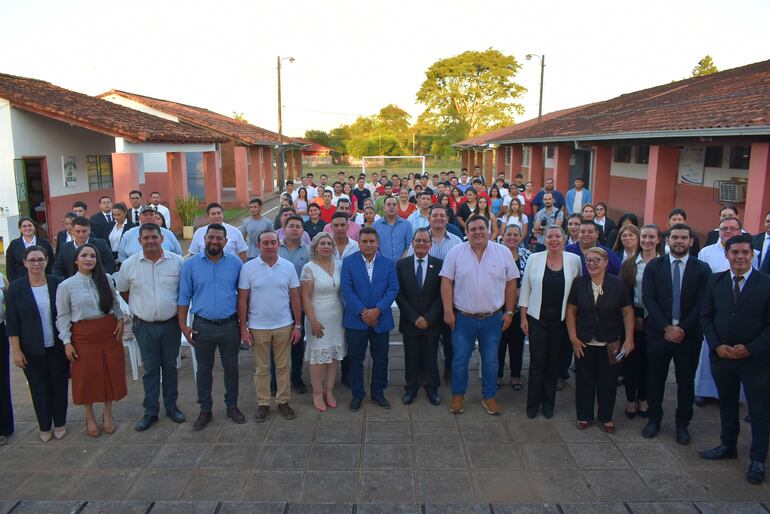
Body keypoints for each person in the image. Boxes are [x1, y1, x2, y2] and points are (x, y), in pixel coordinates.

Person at [699, 234, 770, 485]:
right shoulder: (716, 281)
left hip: (756, 360)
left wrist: (750, 348)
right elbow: (706, 316)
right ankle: (728, 445)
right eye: (734, 253)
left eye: (744, 253)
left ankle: (758, 457)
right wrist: (717, 345)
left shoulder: (766, 283)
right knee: (727, 404)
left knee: (759, 410)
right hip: (723, 357)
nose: (739, 257)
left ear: (752, 255)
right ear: (727, 255)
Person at [441, 215, 518, 416]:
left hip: (493, 319)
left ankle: (489, 396)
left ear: (489, 229)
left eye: (481, 228)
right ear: (466, 232)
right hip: (463, 318)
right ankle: (458, 395)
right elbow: (446, 282)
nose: (477, 232)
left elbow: (511, 283)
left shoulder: (502, 252)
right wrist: (448, 311)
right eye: (473, 229)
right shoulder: (455, 252)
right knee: (460, 359)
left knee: (491, 360)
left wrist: (509, 312)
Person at [641, 223, 711, 444]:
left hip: (688, 336)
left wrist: (683, 328)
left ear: (691, 241)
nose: (679, 241)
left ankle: (683, 424)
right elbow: (648, 298)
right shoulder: (654, 266)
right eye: (675, 237)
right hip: (658, 333)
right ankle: (654, 419)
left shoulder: (702, 269)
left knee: (685, 382)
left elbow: (703, 302)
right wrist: (666, 327)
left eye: (683, 238)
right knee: (655, 379)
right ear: (667, 240)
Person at [116, 223, 186, 432]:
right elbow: (123, 291)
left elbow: (183, 292)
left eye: (154, 237)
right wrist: (141, 309)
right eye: (146, 238)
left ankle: (172, 407)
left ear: (161, 238)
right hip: (144, 327)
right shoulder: (129, 265)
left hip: (171, 325)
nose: (150, 241)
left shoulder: (177, 263)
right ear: (140, 241)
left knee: (171, 367)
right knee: (150, 370)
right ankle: (150, 411)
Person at [178, 224, 245, 430]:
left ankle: (232, 405)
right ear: (204, 239)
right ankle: (205, 409)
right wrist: (183, 326)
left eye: (219, 238)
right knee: (204, 370)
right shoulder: (190, 265)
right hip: (202, 326)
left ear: (225, 242)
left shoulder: (236, 263)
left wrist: (244, 326)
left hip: (229, 325)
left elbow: (243, 296)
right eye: (211, 237)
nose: (214, 241)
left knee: (231, 368)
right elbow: (183, 297)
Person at [56, 243, 126, 437]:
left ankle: (108, 414)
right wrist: (67, 342)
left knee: (109, 373)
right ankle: (89, 416)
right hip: (83, 336)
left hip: (108, 332)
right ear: (76, 260)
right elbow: (62, 316)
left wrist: (120, 319)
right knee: (87, 377)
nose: (89, 259)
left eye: (93, 256)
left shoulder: (106, 279)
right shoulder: (66, 286)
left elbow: (114, 303)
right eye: (84, 255)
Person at [567, 247, 635, 433]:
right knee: (583, 381)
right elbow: (571, 310)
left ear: (606, 262)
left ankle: (606, 417)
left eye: (596, 260)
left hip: (610, 343)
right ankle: (584, 415)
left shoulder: (618, 284)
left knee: (608, 382)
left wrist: (629, 340)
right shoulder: (579, 283)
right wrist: (573, 338)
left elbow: (627, 312)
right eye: (588, 260)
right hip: (584, 342)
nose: (592, 264)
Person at [519, 226, 582, 418]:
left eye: (557, 236)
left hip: (561, 321)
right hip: (537, 318)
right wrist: (523, 316)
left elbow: (577, 292)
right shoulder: (534, 258)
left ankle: (548, 404)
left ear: (564, 239)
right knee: (537, 363)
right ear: (544, 239)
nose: (553, 239)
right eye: (549, 236)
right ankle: (533, 403)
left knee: (554, 363)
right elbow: (526, 288)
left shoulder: (574, 260)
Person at [239, 231, 302, 421]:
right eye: (265, 243)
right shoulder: (248, 268)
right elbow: (243, 300)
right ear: (258, 245)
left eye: (273, 242)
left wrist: (298, 325)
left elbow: (295, 297)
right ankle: (264, 403)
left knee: (283, 366)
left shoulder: (288, 267)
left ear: (278, 244)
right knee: (261, 368)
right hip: (258, 326)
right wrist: (243, 328)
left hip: (284, 324)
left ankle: (283, 401)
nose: (269, 246)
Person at [7, 247, 68, 442]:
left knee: (59, 385)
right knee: (38, 387)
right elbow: (13, 321)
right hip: (31, 349)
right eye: (32, 260)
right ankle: (44, 425)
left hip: (57, 346)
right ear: (24, 263)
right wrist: (16, 351)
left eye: (40, 260)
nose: (36, 264)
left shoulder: (58, 284)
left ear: (47, 260)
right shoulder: (16, 288)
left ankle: (60, 422)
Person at [694, 216, 755, 405]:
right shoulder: (707, 252)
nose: (727, 231)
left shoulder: (756, 256)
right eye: (723, 228)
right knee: (708, 359)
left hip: (746, 321)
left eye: (732, 228)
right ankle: (704, 391)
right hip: (716, 316)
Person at [340, 227, 399, 411]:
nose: (368, 244)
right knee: (355, 359)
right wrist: (364, 312)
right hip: (356, 320)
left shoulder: (389, 263)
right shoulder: (349, 262)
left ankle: (378, 393)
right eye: (364, 241)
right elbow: (346, 289)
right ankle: (357, 394)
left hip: (380, 319)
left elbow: (393, 288)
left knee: (381, 359)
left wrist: (377, 310)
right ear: (359, 242)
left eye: (371, 241)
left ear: (377, 242)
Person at [396, 228, 443, 406]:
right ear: (412, 243)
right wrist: (414, 317)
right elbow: (399, 294)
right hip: (410, 322)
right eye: (418, 241)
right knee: (411, 356)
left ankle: (432, 388)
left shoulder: (439, 264)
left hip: (432, 322)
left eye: (425, 241)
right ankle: (411, 388)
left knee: (431, 357)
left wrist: (429, 318)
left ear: (430, 244)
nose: (421, 244)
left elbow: (441, 295)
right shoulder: (402, 265)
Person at [619, 224, 661, 419]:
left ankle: (644, 398)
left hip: (656, 318)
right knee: (631, 360)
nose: (647, 240)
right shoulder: (629, 264)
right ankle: (630, 398)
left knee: (650, 362)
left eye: (651, 237)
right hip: (632, 316)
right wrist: (632, 317)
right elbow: (623, 293)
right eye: (644, 237)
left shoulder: (664, 263)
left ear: (659, 240)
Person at [300, 233, 346, 412]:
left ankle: (329, 391)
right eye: (322, 243)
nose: (326, 246)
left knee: (334, 355)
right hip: (317, 316)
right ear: (315, 247)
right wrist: (313, 320)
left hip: (337, 317)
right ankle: (317, 393)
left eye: (329, 243)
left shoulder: (339, 265)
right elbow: (305, 296)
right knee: (318, 357)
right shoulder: (309, 268)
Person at [277, 216, 311, 394]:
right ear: (284, 228)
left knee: (298, 342)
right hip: (279, 304)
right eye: (291, 226)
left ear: (303, 230)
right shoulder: (275, 249)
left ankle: (296, 376)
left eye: (298, 226)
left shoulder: (309, 251)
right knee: (278, 343)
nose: (295, 229)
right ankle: (275, 378)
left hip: (301, 305)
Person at [498, 225, 530, 391]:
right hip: (499, 305)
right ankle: (498, 374)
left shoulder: (527, 255)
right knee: (499, 342)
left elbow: (530, 279)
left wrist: (520, 292)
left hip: (520, 307)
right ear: (503, 236)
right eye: (509, 234)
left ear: (520, 237)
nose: (512, 237)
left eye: (516, 235)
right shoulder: (496, 254)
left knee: (517, 343)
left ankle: (516, 375)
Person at [117, 206, 182, 263]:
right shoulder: (128, 235)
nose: (148, 217)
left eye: (151, 214)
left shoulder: (168, 234)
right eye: (145, 214)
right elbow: (122, 257)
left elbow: (178, 254)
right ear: (139, 216)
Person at [6, 217, 54, 281]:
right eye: (24, 226)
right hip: (21, 281)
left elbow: (51, 262)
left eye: (30, 225)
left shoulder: (44, 243)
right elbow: (10, 266)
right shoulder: (14, 244)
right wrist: (13, 282)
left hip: (43, 280)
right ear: (20, 229)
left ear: (34, 227)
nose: (27, 228)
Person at [374, 196, 413, 262]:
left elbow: (409, 246)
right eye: (388, 204)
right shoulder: (376, 226)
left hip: (402, 265)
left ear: (398, 208)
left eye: (394, 205)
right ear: (384, 208)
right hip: (382, 264)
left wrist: (401, 262)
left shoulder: (407, 225)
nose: (391, 207)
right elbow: (375, 247)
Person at [0, 271, 11, 444]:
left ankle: (3, 426)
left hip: (0, 330)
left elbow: (9, 303)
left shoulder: (0, 277)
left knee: (1, 379)